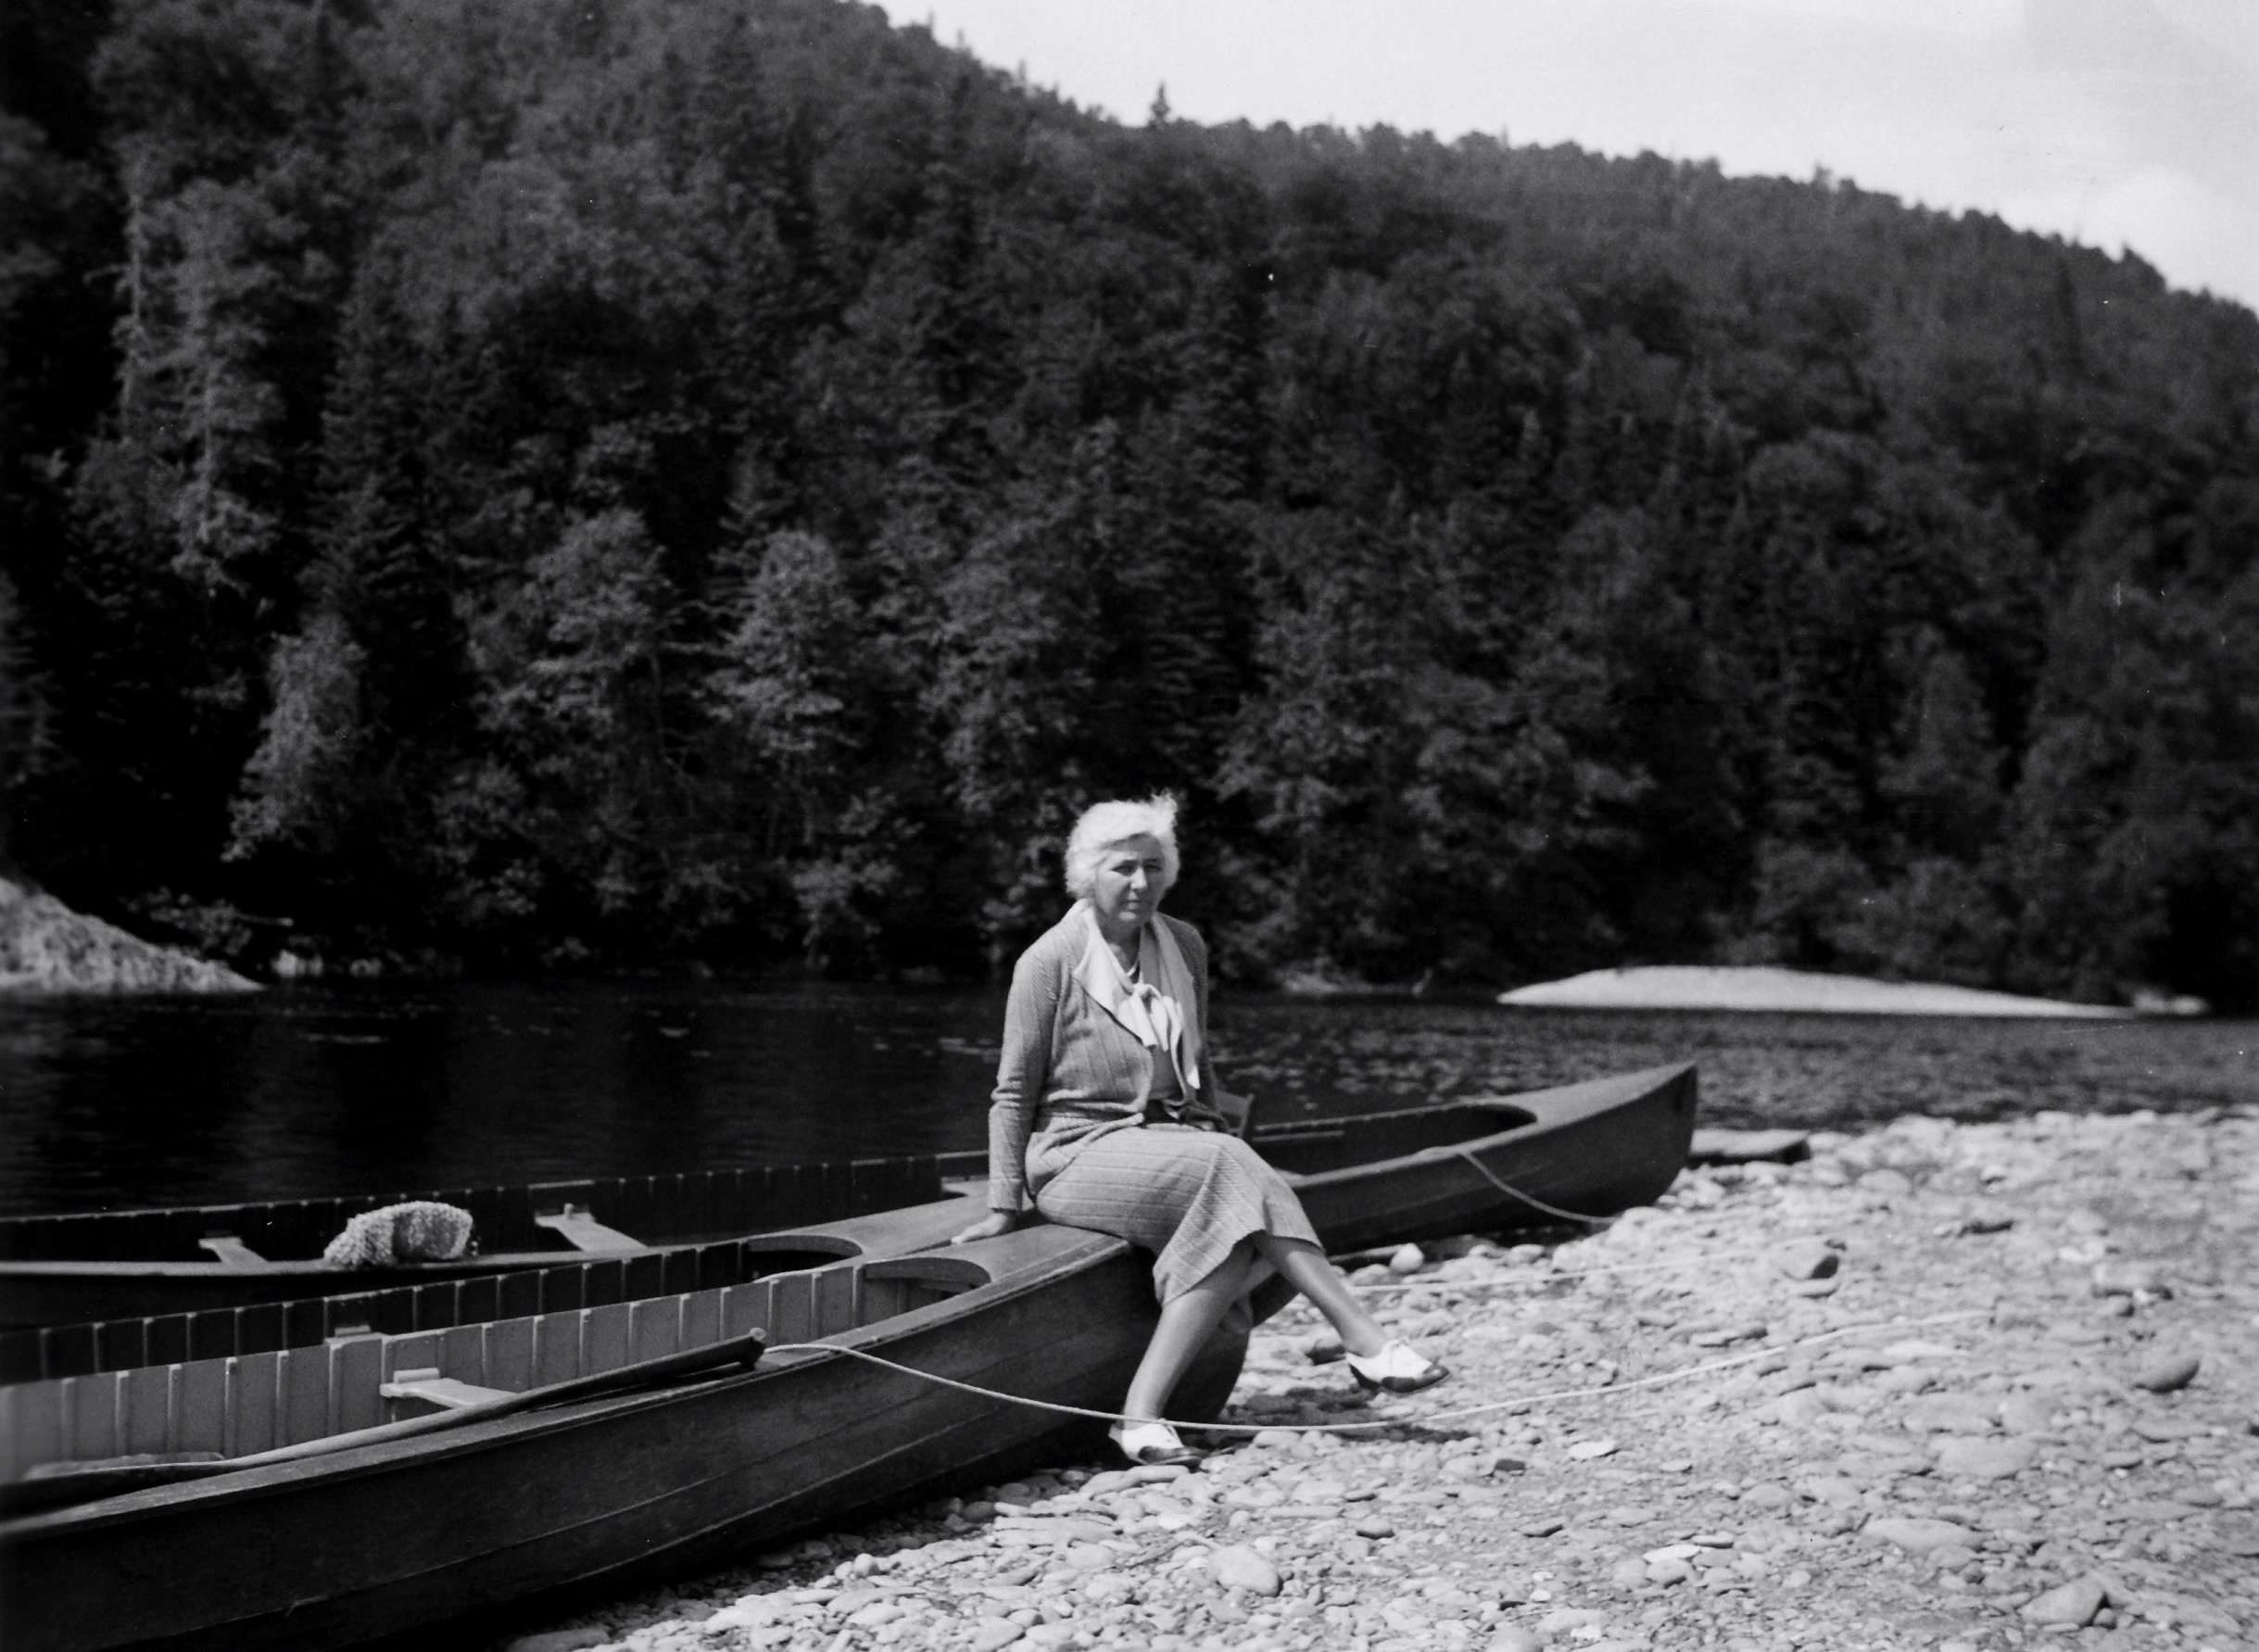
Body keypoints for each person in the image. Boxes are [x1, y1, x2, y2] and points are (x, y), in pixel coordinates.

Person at [952, 793, 1445, 1467]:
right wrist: (1003, 1204)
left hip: (1174, 1141)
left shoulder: (1183, 945)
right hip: (1075, 1153)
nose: (1140, 882)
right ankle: (1364, 1339)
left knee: (1238, 1223)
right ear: (1088, 874)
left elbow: (1198, 1062)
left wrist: (1221, 1135)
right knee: (1231, 1178)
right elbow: (1012, 1092)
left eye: (1153, 867)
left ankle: (1139, 1417)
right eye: (1123, 868)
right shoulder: (1049, 960)